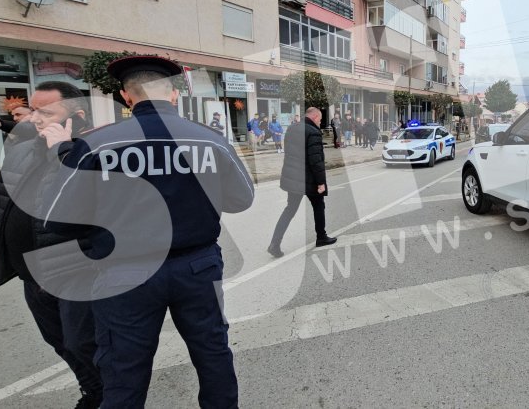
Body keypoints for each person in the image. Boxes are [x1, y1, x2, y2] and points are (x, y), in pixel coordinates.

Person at [42, 56, 255, 408]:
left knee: (123, 372)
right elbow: (242, 199)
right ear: (174, 95)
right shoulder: (211, 140)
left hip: (123, 274)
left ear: (127, 96)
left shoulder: (96, 144)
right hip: (197, 268)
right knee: (212, 354)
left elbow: (57, 218)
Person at [0, 82, 102, 408]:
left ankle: (108, 393)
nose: (34, 118)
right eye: (34, 110)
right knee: (59, 341)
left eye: (46, 112)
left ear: (77, 115)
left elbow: (91, 203)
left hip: (77, 271)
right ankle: (95, 389)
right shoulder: (21, 151)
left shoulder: (96, 151)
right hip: (33, 273)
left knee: (83, 342)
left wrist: (63, 150)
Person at [268, 107, 337, 258]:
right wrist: (320, 183)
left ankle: (274, 243)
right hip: (309, 179)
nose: (320, 122)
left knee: (289, 210)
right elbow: (316, 160)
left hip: (293, 178)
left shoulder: (292, 128)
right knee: (319, 206)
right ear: (314, 116)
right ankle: (321, 237)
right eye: (319, 119)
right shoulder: (313, 132)